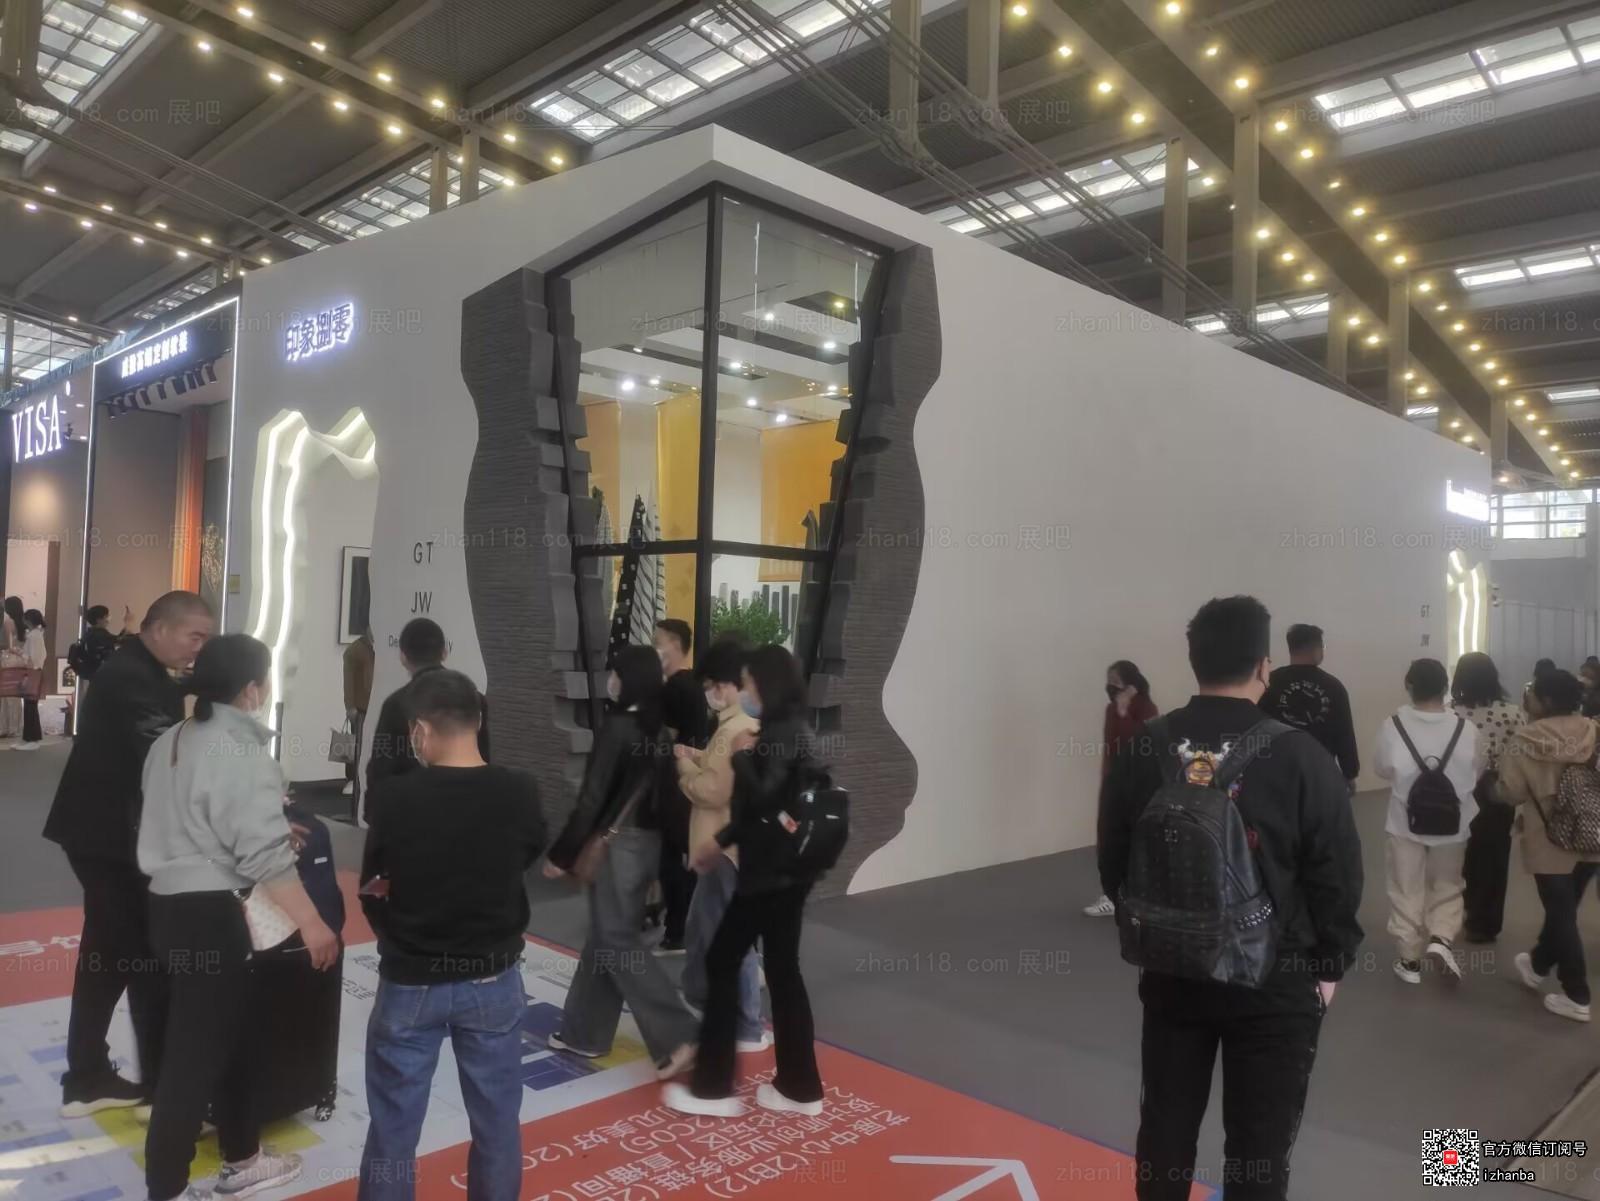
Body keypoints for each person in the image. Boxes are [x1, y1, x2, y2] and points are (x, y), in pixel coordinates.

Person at [1097, 596, 1363, 1201]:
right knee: (1258, 1148)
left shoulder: (1145, 746)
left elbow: (1114, 860)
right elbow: (1338, 873)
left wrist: (1159, 929)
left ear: (1193, 661)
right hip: (1274, 979)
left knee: (1165, 1130)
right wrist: (1330, 965)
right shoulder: (1300, 754)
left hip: (1172, 972)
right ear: (1264, 667)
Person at [138, 634, 337, 1201]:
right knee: (193, 1058)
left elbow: (189, 817)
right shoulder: (243, 752)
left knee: (230, 1035)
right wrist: (313, 923)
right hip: (211, 914)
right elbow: (264, 857)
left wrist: (262, 820)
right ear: (252, 688)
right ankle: (167, 1187)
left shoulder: (172, 740)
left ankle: (244, 1156)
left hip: (167, 907)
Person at [358, 669, 547, 1201]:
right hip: (493, 979)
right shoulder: (520, 790)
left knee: (394, 1130)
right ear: (478, 720)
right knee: (497, 1123)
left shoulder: (395, 798)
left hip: (410, 979)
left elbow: (373, 886)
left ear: (419, 730)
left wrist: (397, 936)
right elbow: (527, 854)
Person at [43, 590, 213, 1117]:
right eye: (195, 637)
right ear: (160, 628)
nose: (199, 649)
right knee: (140, 954)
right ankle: (155, 1087)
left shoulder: (142, 668)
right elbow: (166, 756)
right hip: (110, 839)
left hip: (105, 834)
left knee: (107, 953)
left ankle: (90, 1076)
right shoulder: (132, 678)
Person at [664, 645, 828, 1119]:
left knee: (722, 960)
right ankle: (800, 1088)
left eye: (750, 683)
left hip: (766, 875)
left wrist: (740, 761)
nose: (746, 691)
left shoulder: (776, 733)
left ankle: (713, 1089)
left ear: (766, 683)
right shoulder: (797, 726)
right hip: (791, 873)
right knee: (783, 971)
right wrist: (721, 841)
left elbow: (763, 806)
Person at [543, 645, 697, 1077]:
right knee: (605, 936)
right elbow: (669, 803)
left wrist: (562, 854)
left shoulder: (618, 728)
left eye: (614, 672)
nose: (610, 679)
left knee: (617, 939)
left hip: (618, 847)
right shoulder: (657, 731)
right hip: (647, 846)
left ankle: (678, 1034)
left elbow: (592, 799)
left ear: (627, 679)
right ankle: (584, 1033)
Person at [675, 637, 768, 1050]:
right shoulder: (739, 727)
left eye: (713, 685)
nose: (710, 693)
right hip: (721, 849)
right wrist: (697, 756)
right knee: (702, 927)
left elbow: (713, 791)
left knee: (730, 937)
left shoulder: (735, 729)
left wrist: (683, 767)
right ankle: (698, 995)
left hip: (724, 850)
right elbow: (722, 770)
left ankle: (747, 1025)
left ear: (730, 684)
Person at [1494, 669, 1600, 1023]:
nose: (1529, 699)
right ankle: (1538, 964)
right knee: (1564, 910)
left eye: (1534, 694)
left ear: (1548, 701)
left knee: (1561, 913)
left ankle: (1577, 995)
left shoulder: (1524, 740)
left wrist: (1492, 789)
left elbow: (1511, 792)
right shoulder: (1593, 730)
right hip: (1591, 833)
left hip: (1548, 837)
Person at [1373, 658, 1479, 984]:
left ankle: (1409, 961)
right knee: (1448, 883)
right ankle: (1441, 938)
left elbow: (1382, 768)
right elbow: (1477, 771)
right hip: (1453, 821)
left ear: (1408, 685)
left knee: (1405, 886)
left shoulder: (1392, 725)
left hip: (1405, 821)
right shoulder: (1466, 728)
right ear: (1446, 688)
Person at [365, 618, 489, 817]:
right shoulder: (475, 699)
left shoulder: (396, 703)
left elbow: (382, 768)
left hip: (412, 812)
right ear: (444, 652)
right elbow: (484, 754)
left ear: (403, 657)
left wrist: (374, 814)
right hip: (473, 807)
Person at [1451, 652, 1526, 944]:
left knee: (1462, 851)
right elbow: (1520, 755)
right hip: (1496, 789)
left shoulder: (1451, 713)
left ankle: (1467, 905)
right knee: (1494, 855)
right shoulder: (1513, 712)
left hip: (1459, 787)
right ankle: (1485, 924)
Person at [1083, 660, 1157, 918]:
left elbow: (1138, 746)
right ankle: (1112, 894)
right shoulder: (1110, 709)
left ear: (1130, 682)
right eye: (1109, 681)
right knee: (1109, 837)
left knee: (1136, 838)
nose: (1111, 686)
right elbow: (1111, 746)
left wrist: (1124, 710)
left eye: (1116, 681)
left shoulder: (1147, 709)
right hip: (1114, 781)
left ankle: (1137, 894)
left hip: (1138, 784)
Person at [653, 618, 708, 954]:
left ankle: (677, 930)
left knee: (672, 859)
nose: (655, 647)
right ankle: (681, 926)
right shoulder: (693, 687)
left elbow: (665, 739)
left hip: (676, 783)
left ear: (675, 644)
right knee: (679, 856)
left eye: (658, 641)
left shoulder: (674, 689)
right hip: (687, 781)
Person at [1261, 623, 1360, 790]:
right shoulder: (1333, 686)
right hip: (1320, 772)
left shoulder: (1269, 682)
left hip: (1276, 770)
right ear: (1316, 649)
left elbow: (1256, 726)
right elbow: (1344, 734)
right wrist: (1350, 774)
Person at [342, 626, 375, 799]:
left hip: (376, 704)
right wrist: (350, 706)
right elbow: (348, 681)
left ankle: (367, 778)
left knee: (373, 745)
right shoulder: (355, 650)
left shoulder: (384, 648)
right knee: (357, 745)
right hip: (361, 707)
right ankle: (353, 779)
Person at [69, 604, 133, 684]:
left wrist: (126, 625)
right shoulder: (98, 634)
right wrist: (128, 624)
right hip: (101, 675)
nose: (108, 619)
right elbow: (120, 641)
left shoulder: (91, 633)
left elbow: (117, 639)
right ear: (99, 619)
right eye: (106, 616)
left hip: (96, 674)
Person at [15, 608, 48, 750]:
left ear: (28, 620)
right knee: (29, 706)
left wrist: (19, 654)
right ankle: (28, 738)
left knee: (30, 707)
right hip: (34, 672)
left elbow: (33, 658)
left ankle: (33, 740)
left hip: (33, 672)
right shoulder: (36, 634)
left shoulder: (34, 636)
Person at [0, 595, 24, 740]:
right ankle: (15, 727)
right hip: (20, 660)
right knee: (15, 695)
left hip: (8, 660)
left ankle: (4, 727)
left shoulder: (8, 622)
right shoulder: (24, 622)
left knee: (4, 695)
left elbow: (9, 646)